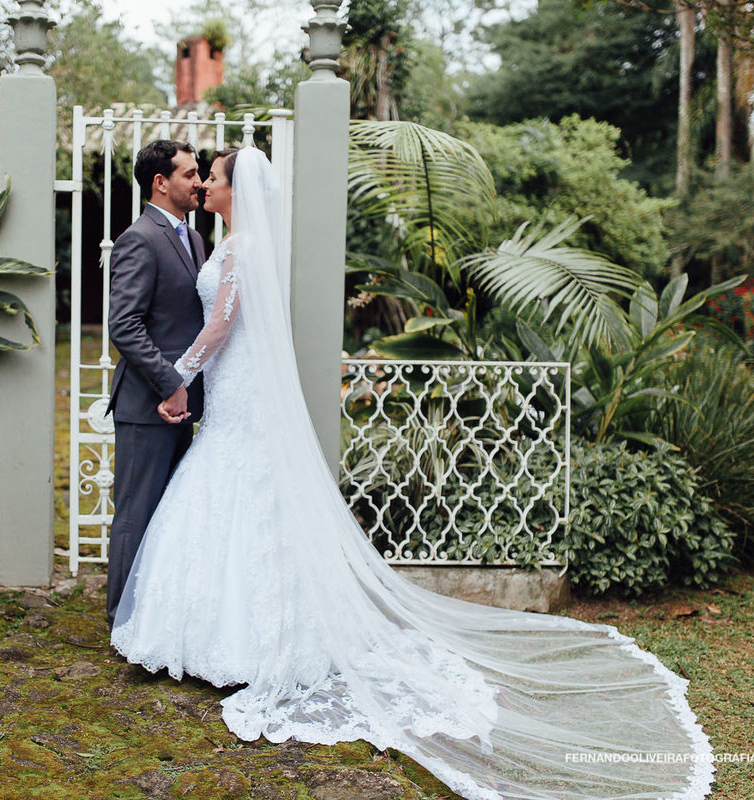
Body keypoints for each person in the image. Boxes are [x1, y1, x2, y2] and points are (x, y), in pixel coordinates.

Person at [110, 145, 716, 800]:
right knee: (240, 502)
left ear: (237, 190)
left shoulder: (235, 249)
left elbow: (222, 323)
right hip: (232, 392)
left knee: (236, 497)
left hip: (228, 389)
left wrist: (181, 380)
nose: (202, 185)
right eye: (195, 176)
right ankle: (232, 633)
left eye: (213, 177)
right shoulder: (214, 243)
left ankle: (233, 641)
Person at [104, 140, 206, 628]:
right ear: (161, 183)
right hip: (149, 403)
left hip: (184, 403)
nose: (199, 182)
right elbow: (124, 325)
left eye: (200, 173)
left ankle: (156, 615)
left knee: (169, 515)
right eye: (189, 174)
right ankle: (121, 619)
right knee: (136, 513)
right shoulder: (139, 238)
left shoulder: (194, 237)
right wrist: (170, 384)